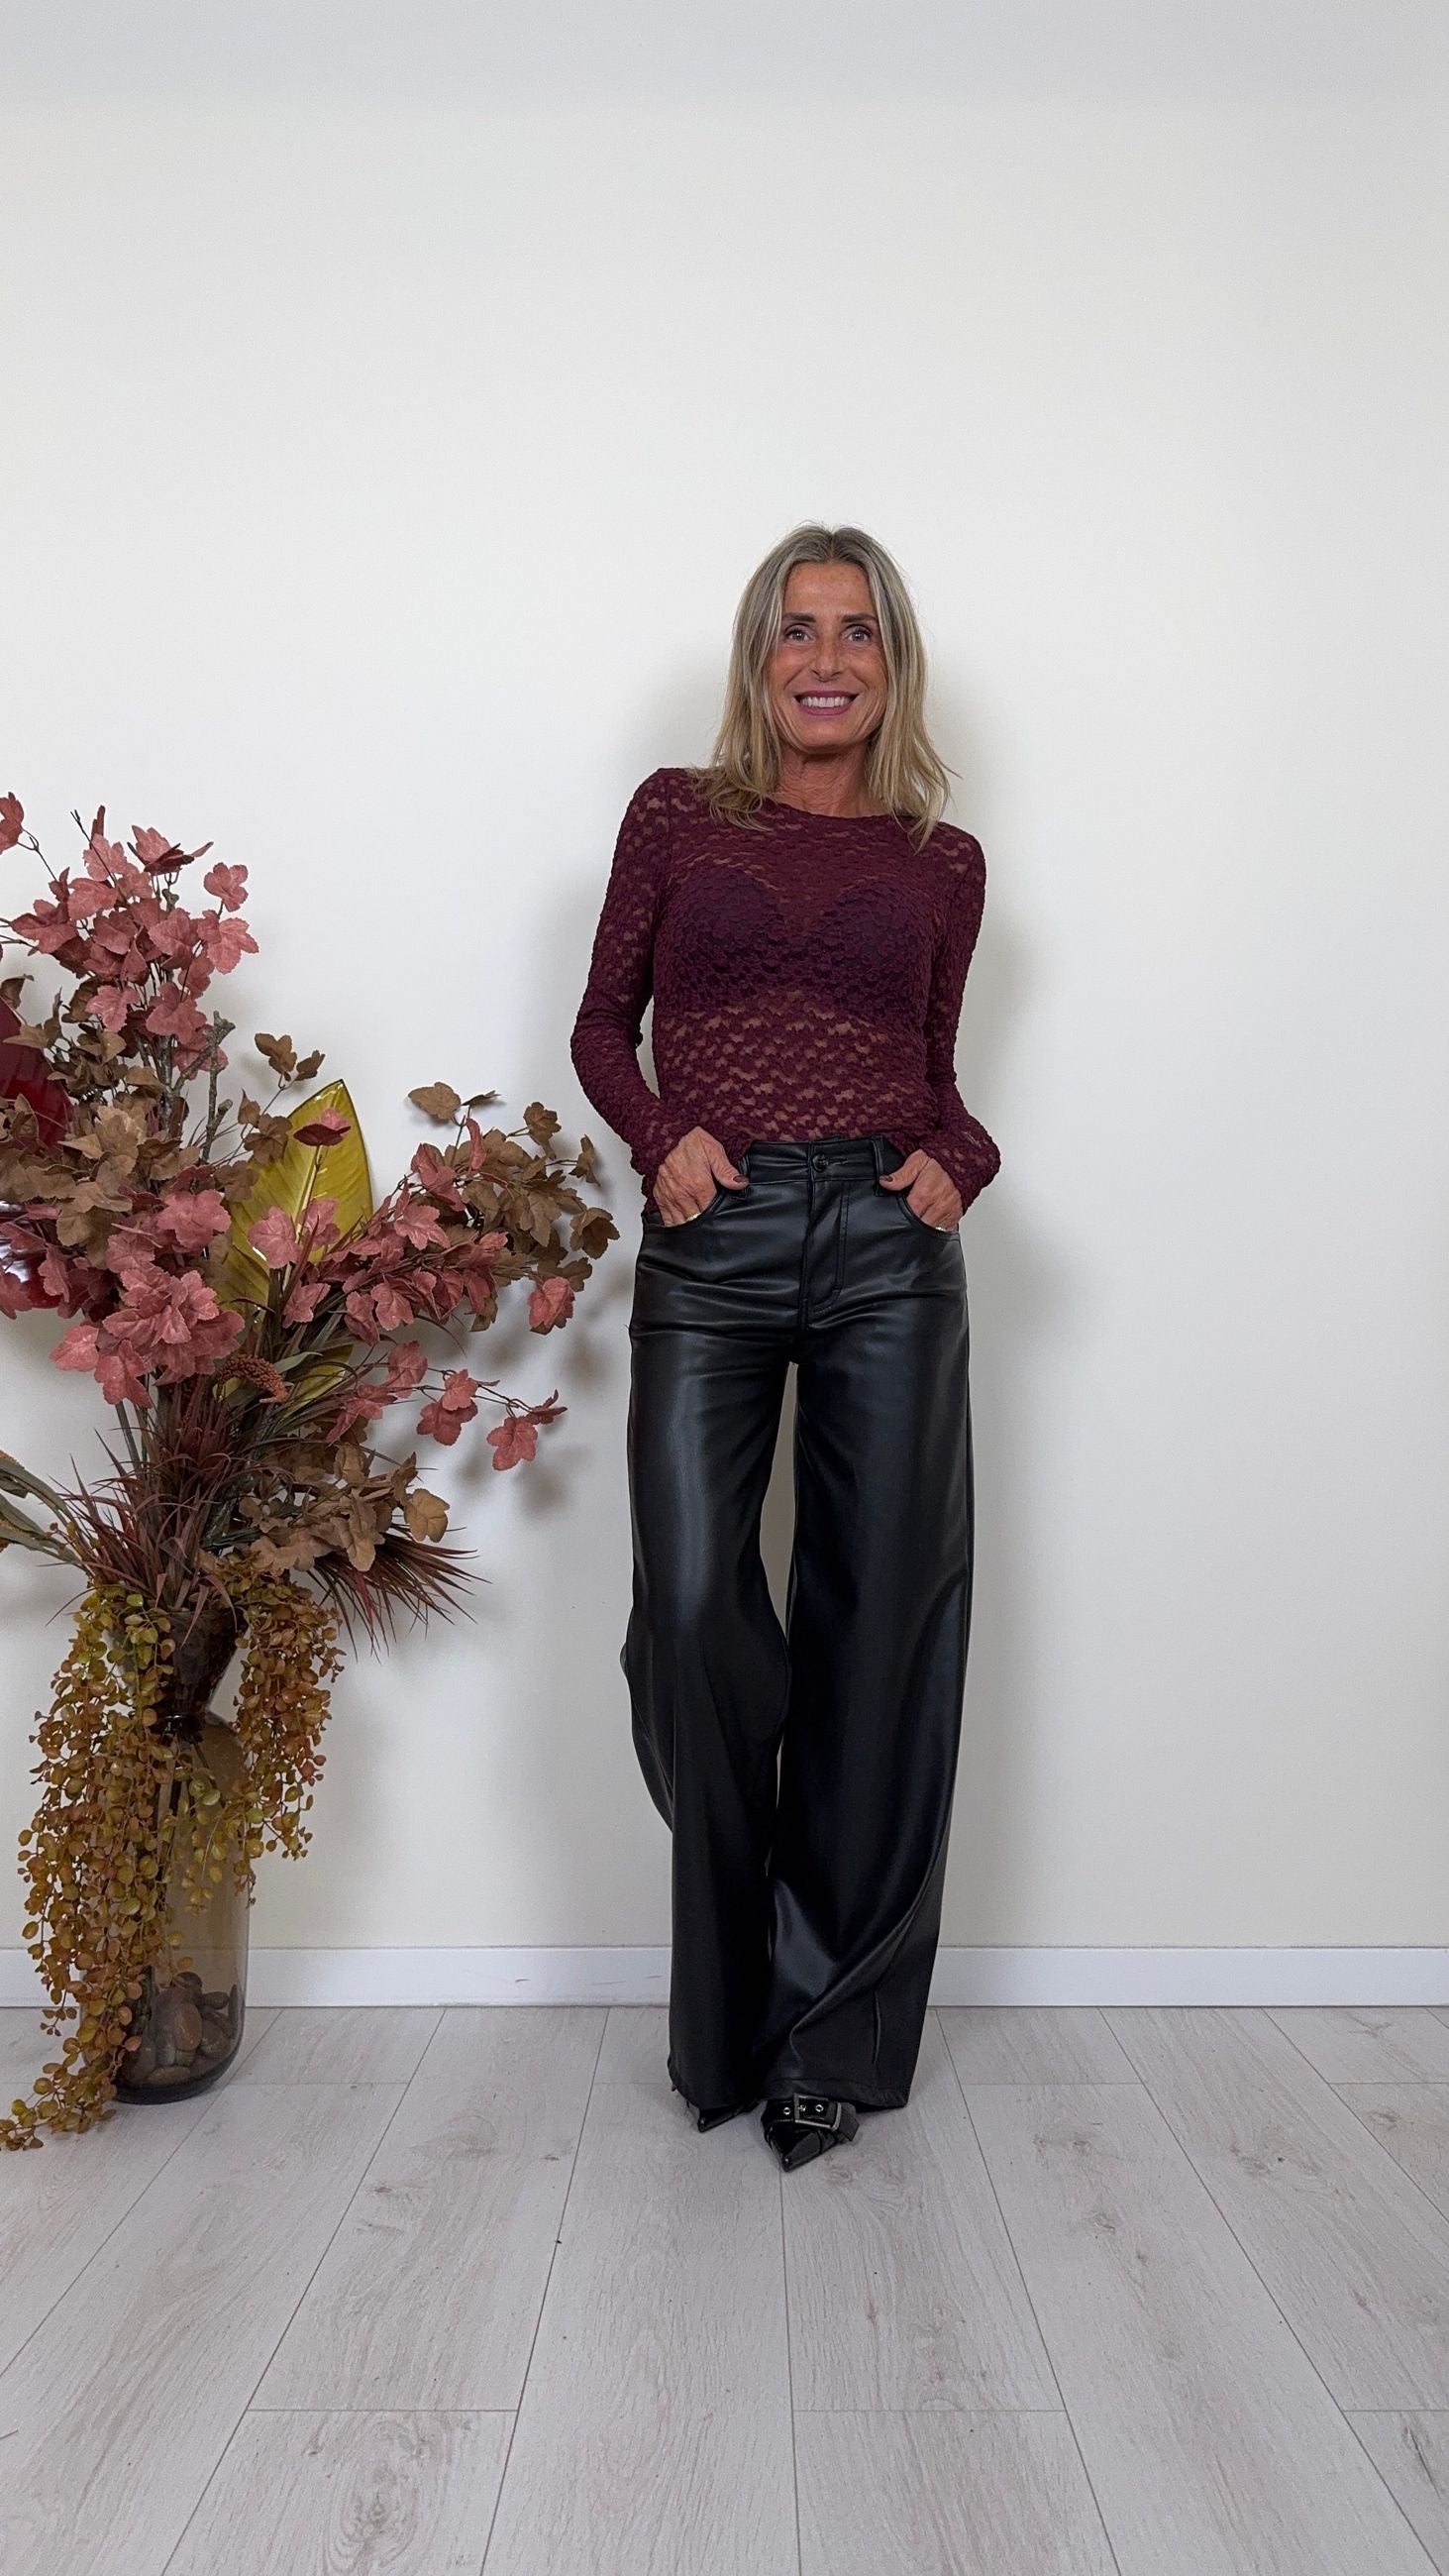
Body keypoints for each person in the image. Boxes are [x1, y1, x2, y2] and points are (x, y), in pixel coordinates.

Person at [569, 522, 1000, 2171]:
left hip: (891, 1245)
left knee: (880, 1623)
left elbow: (932, 1068)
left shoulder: (943, 861)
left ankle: (833, 2032)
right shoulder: (677, 815)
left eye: (858, 632)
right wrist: (657, 1137)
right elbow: (603, 1025)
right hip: (716, 1232)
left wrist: (963, 1157)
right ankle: (733, 1990)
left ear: (894, 663)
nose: (827, 660)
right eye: (797, 630)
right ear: (759, 660)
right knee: (691, 1610)